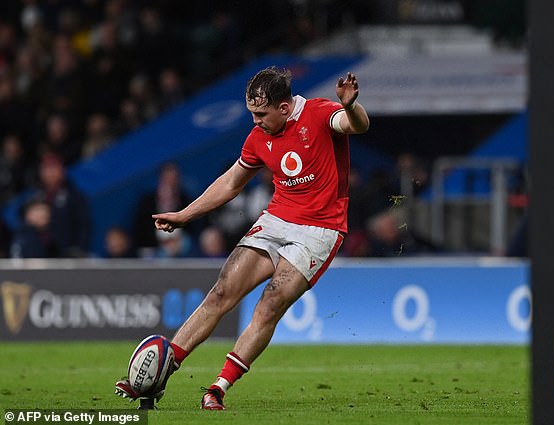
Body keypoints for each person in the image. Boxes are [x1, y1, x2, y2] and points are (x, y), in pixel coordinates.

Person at [114, 66, 370, 410]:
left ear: (283, 108)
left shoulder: (321, 113)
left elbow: (356, 125)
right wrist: (185, 215)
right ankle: (159, 376)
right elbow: (231, 182)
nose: (256, 122)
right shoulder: (257, 138)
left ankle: (217, 388)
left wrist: (351, 105)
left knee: (269, 305)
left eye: (261, 114)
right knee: (221, 292)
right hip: (277, 218)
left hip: (320, 229)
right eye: (251, 114)